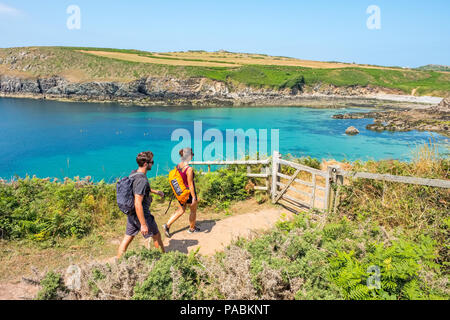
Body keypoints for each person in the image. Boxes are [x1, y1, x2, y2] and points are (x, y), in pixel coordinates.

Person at [117, 151, 165, 258]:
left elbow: (138, 190)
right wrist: (143, 224)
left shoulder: (134, 173)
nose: (153, 164)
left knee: (127, 238)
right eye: (151, 162)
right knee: (156, 236)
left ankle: (118, 262)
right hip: (142, 214)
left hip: (132, 214)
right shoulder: (142, 180)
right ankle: (163, 260)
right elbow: (138, 202)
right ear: (145, 164)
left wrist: (155, 191)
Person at [163, 148, 200, 237]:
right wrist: (194, 197)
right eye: (192, 154)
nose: (192, 156)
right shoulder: (189, 169)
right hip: (189, 193)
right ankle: (192, 228)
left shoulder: (178, 166)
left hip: (181, 192)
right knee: (193, 211)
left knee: (181, 210)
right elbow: (190, 184)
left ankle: (167, 225)